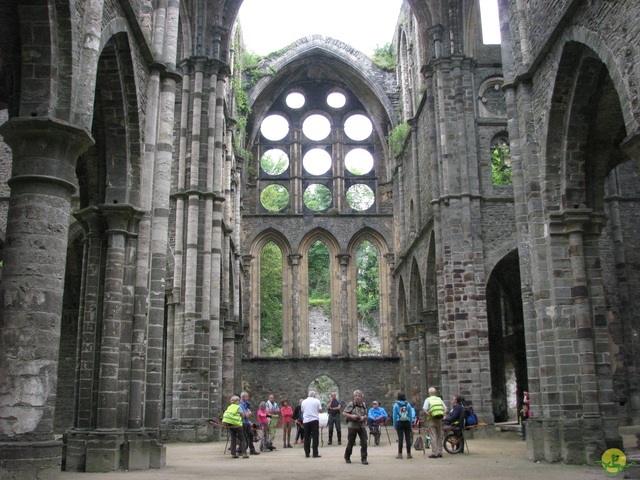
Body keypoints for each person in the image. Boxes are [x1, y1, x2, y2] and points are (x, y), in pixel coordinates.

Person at [343, 389, 369, 465]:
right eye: (356, 396)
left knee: (364, 442)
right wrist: (352, 416)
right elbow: (344, 413)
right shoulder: (351, 404)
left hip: (361, 425)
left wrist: (364, 417)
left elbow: (366, 414)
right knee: (351, 442)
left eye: (359, 396)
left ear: (362, 397)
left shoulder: (364, 405)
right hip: (352, 426)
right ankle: (347, 456)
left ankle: (364, 458)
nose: (357, 397)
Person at [422, 387, 446, 459]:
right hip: (439, 419)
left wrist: (430, 415)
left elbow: (424, 410)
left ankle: (434, 452)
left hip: (432, 419)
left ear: (429, 393)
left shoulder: (428, 400)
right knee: (439, 436)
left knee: (433, 436)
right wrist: (442, 415)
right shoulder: (439, 399)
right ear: (435, 393)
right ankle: (440, 452)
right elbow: (446, 409)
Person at [301, 390, 323, 458]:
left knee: (307, 437)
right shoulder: (317, 401)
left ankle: (307, 453)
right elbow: (320, 410)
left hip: (306, 421)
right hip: (314, 420)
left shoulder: (303, 401)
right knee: (315, 437)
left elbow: (302, 410)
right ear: (314, 395)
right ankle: (315, 453)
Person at [392, 392, 414, 459]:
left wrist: (395, 425)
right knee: (408, 438)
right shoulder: (408, 405)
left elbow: (394, 416)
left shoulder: (396, 405)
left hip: (399, 422)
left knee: (400, 438)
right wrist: (410, 425)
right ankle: (408, 454)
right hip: (407, 422)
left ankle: (400, 454)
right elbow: (410, 415)